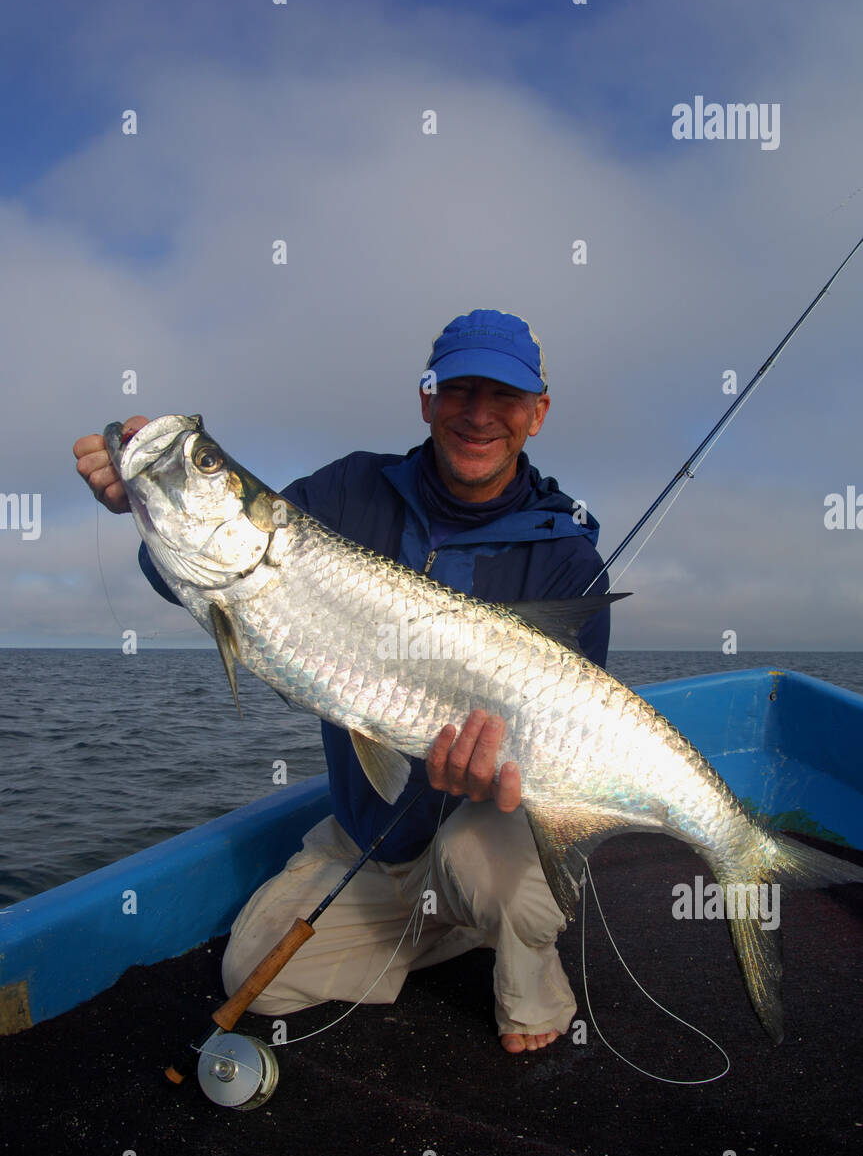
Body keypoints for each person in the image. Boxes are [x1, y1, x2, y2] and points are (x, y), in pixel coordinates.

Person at [74, 309, 610, 1054]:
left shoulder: (569, 559)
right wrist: (147, 497)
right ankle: (444, 925)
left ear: (536, 414)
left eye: (505, 398)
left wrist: (501, 777)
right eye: (458, 392)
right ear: (426, 399)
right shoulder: (347, 489)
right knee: (253, 975)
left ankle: (527, 976)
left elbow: (564, 742)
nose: (478, 416)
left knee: (502, 879)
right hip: (368, 832)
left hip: (481, 827)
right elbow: (200, 578)